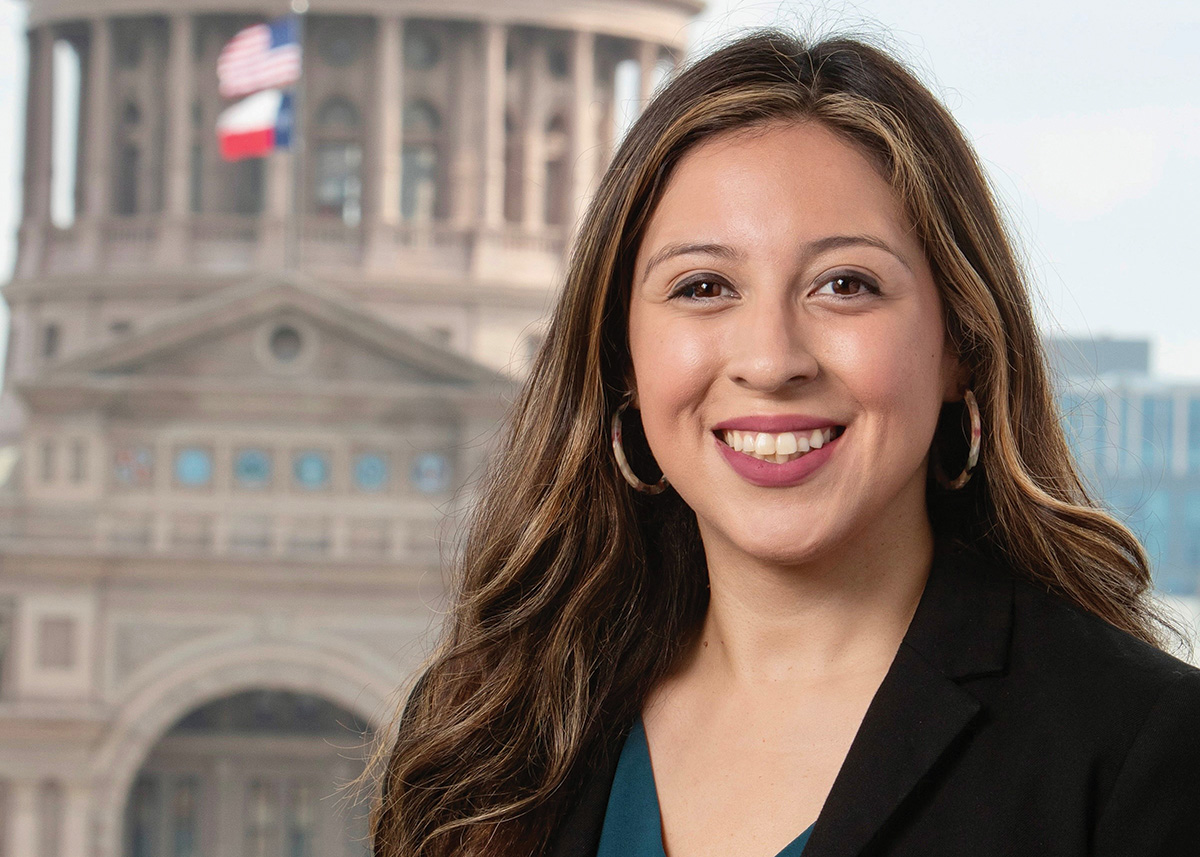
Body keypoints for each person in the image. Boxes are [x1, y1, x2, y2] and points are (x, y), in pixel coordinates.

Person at [371, 31, 1200, 857]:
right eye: (703, 287)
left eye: (846, 285)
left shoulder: (1139, 750)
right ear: (623, 359)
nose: (771, 360)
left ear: (961, 344)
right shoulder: (485, 741)